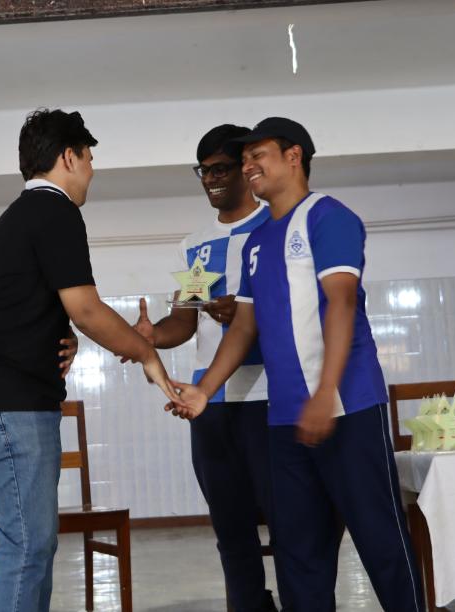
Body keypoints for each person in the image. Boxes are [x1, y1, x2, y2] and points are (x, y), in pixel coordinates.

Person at [168, 117, 424, 611]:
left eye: (257, 155)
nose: (248, 166)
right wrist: (204, 390)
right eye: (244, 159)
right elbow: (244, 326)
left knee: (380, 540)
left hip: (348, 408)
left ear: (294, 157)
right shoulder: (258, 242)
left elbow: (342, 303)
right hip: (285, 420)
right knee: (299, 554)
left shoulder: (329, 217)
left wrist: (325, 392)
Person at [0, 108, 179, 612]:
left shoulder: (26, 215)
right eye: (88, 157)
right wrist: (146, 354)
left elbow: (33, 305)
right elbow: (87, 309)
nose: (92, 169)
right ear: (68, 157)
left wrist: (59, 333)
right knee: (27, 548)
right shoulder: (54, 210)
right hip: (6, 406)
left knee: (34, 546)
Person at [127, 124, 277, 611]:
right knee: (230, 527)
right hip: (209, 404)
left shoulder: (275, 226)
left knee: (289, 522)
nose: (211, 179)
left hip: (269, 397)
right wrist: (152, 336)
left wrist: (248, 314)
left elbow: (293, 309)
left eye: (220, 169)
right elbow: (185, 321)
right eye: (204, 171)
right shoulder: (197, 246)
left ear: (246, 170)